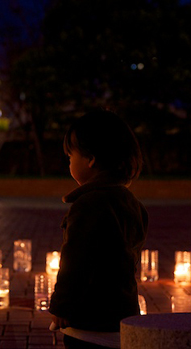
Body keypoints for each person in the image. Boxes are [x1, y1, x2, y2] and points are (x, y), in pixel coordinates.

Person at [49, 109, 148, 349]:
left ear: (91, 159)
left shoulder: (88, 204)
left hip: (88, 321)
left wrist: (61, 306)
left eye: (70, 156)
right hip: (123, 315)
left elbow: (75, 260)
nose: (69, 163)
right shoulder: (133, 204)